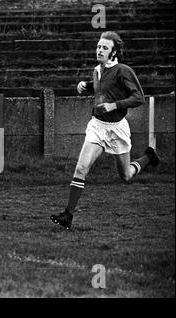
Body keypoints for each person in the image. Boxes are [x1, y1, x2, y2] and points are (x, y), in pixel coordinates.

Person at [50, 31, 160, 230]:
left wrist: (114, 106)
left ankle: (148, 157)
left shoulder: (123, 70)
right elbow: (104, 88)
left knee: (125, 176)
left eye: (104, 47)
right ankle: (68, 215)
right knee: (81, 168)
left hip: (117, 129)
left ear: (114, 52)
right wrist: (87, 86)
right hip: (97, 126)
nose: (99, 50)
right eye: (98, 46)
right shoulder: (97, 70)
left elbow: (138, 98)